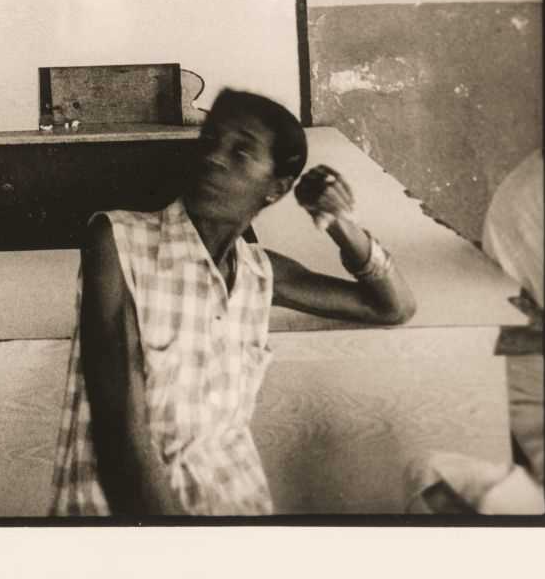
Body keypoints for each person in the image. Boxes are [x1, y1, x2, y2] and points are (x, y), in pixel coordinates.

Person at [49, 87, 416, 517]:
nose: (214, 158)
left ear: (275, 189)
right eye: (209, 142)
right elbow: (122, 439)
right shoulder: (117, 242)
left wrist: (338, 225)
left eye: (240, 152)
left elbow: (392, 306)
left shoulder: (260, 273)